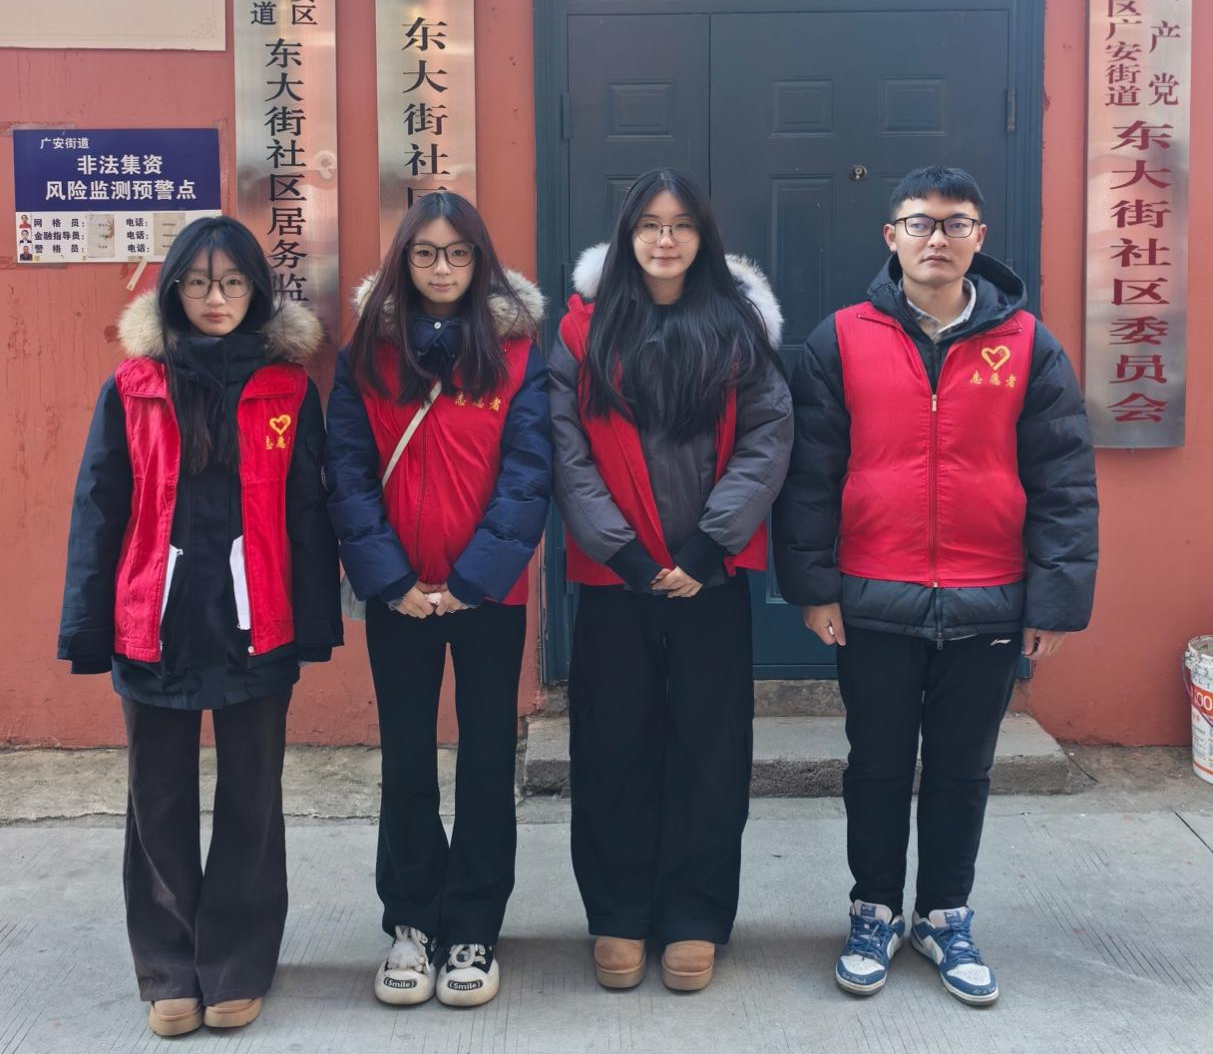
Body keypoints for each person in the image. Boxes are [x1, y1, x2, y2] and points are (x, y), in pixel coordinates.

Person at [774, 165, 1098, 1006]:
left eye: (955, 224)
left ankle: (944, 915)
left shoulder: (1025, 343)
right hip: (873, 596)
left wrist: (1054, 601)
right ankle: (874, 910)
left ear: (978, 239)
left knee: (962, 770)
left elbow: (1062, 480)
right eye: (919, 223)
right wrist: (813, 587)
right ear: (890, 237)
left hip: (989, 597)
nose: (936, 238)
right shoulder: (840, 338)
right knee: (876, 766)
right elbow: (809, 476)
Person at [57, 216, 342, 1038]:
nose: (216, 298)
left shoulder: (288, 389)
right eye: (198, 282)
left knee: (253, 796)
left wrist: (313, 621)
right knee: (158, 796)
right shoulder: (133, 385)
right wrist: (88, 622)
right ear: (173, 289)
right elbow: (99, 505)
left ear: (257, 290)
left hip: (256, 618)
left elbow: (308, 512)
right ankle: (168, 966)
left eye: (233, 282)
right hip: (156, 617)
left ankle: (236, 963)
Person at [549, 167, 793, 994]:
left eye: (681, 225)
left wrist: (707, 549)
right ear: (626, 237)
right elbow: (566, 449)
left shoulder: (737, 328)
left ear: (702, 238)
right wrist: (622, 554)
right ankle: (617, 912)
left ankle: (693, 914)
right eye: (649, 225)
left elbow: (767, 438)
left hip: (707, 581)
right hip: (613, 581)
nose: (664, 239)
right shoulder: (581, 333)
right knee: (610, 747)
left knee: (708, 750)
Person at [325, 192, 551, 1010]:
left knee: (487, 761)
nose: (442, 268)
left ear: (479, 261)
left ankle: (474, 927)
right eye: (425, 253)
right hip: (399, 598)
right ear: (403, 261)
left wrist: (470, 579)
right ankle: (412, 921)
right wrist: (391, 580)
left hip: (486, 594)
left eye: (458, 253)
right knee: (407, 761)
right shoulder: (367, 355)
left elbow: (528, 475)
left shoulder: (518, 354)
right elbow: (347, 472)